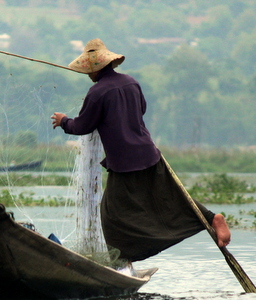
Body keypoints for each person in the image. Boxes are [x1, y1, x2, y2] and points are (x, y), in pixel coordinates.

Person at [51, 38, 231, 264]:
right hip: (149, 154)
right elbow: (141, 109)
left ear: (94, 69)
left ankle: (122, 261)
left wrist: (64, 121)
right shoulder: (131, 82)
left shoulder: (97, 92)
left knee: (112, 216)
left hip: (124, 163)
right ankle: (212, 218)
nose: (88, 74)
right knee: (171, 198)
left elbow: (82, 126)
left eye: (89, 70)